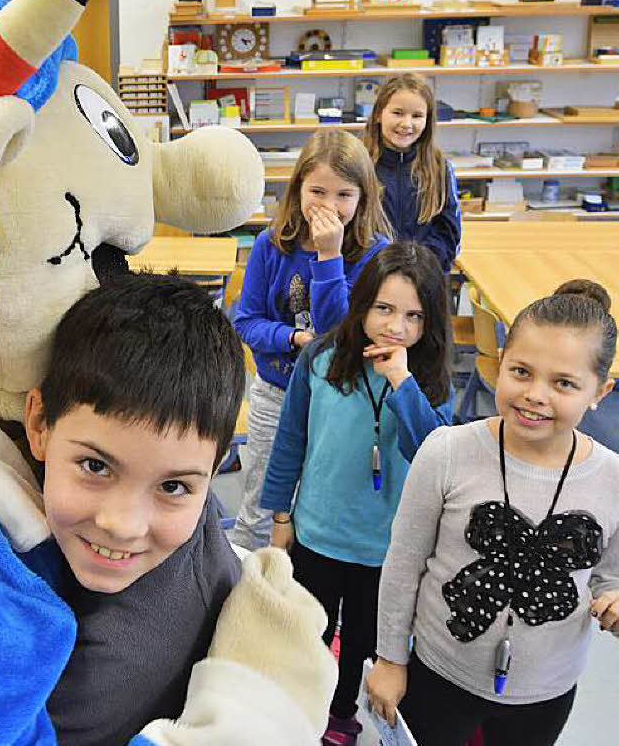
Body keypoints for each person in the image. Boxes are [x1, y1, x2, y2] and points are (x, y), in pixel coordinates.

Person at [0, 273, 338, 745]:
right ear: (37, 424)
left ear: (217, 467)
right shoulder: (180, 543)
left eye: (173, 487)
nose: (123, 523)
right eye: (97, 467)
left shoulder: (99, 663)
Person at [367, 280, 619, 746]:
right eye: (522, 371)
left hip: (546, 689)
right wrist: (389, 659)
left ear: (599, 391)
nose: (536, 395)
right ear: (498, 363)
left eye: (564, 383)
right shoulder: (445, 451)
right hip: (440, 673)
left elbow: (608, 575)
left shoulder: (613, 479)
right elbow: (403, 565)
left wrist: (612, 600)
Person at [261, 241, 455, 745]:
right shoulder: (322, 359)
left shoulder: (428, 379)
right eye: (384, 309)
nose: (395, 326)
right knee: (307, 633)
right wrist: (280, 519)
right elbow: (290, 442)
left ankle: (342, 712)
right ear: (362, 303)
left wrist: (403, 383)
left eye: (413, 316)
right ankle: (301, 707)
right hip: (317, 532)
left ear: (429, 323)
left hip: (385, 548)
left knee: (363, 644)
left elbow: (433, 452)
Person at [229, 128, 391, 551]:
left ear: (362, 198)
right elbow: (246, 322)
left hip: (338, 397)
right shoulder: (271, 244)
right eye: (317, 191)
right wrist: (295, 338)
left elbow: (337, 331)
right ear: (298, 187)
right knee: (263, 502)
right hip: (276, 391)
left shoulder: (375, 255)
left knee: (320, 503)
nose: (329, 207)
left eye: (344, 195)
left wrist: (329, 255)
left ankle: (300, 588)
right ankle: (248, 582)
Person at [363, 73, 461, 273]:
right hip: (368, 276)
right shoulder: (359, 163)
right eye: (398, 113)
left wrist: (418, 267)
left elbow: (448, 233)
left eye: (417, 116)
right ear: (379, 115)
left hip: (422, 278)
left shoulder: (439, 169)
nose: (407, 124)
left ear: (427, 121)